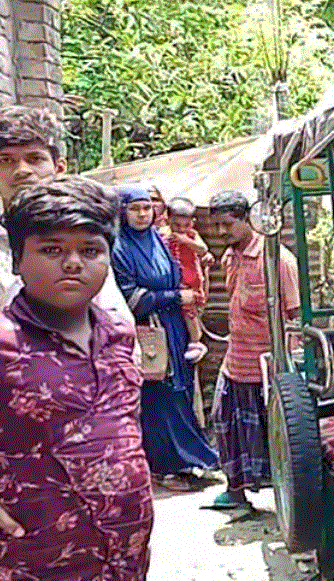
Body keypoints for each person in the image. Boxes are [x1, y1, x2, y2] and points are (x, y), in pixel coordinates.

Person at [0, 176, 153, 580]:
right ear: (16, 261)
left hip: (125, 556)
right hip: (27, 557)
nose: (73, 263)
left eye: (90, 250)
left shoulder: (118, 333)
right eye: (51, 250)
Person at [0, 105, 136, 329]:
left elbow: (119, 329)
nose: (22, 170)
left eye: (35, 158)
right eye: (6, 160)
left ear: (59, 167)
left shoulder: (83, 245)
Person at [112, 184, 219, 492]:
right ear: (122, 212)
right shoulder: (118, 249)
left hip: (175, 328)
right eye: (135, 209)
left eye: (147, 208)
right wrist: (174, 296)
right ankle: (165, 468)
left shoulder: (159, 240)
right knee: (159, 399)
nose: (142, 214)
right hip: (149, 333)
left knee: (181, 394)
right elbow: (129, 298)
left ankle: (192, 460)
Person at [208, 190, 300, 509]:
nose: (221, 232)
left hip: (266, 366)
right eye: (217, 226)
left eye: (227, 224)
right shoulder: (229, 257)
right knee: (225, 424)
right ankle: (236, 492)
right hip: (235, 360)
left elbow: (295, 316)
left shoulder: (278, 261)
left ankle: (287, 505)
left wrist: (287, 368)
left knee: (276, 438)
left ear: (248, 219)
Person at [161, 197, 212, 362]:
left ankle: (196, 341)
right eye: (177, 225)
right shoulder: (163, 235)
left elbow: (203, 249)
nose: (182, 229)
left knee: (190, 311)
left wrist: (186, 241)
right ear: (168, 220)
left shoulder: (192, 235)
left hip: (191, 280)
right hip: (173, 282)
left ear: (193, 223)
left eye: (186, 225)